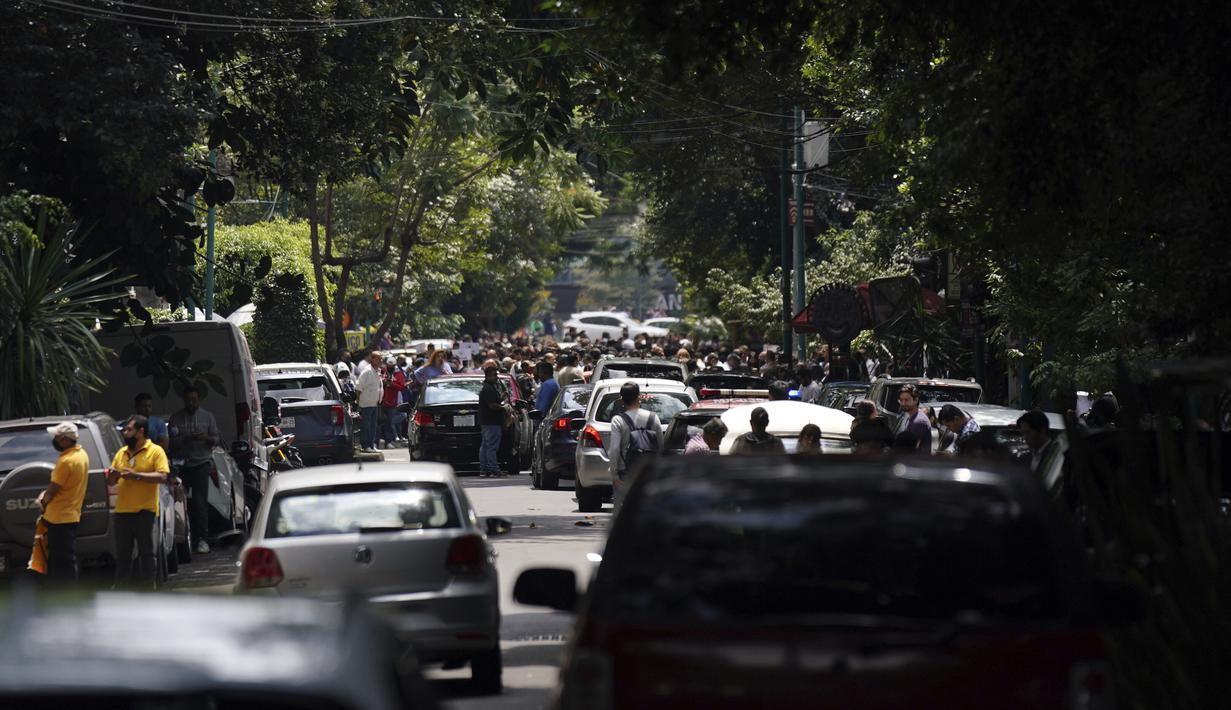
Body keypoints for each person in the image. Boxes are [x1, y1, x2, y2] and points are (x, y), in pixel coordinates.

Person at [108, 415, 169, 588]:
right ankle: (121, 589)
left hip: (144, 510)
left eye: (129, 430)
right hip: (122, 511)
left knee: (146, 552)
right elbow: (111, 482)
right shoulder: (122, 453)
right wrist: (112, 476)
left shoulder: (155, 451)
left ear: (140, 432)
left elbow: (163, 476)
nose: (125, 433)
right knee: (123, 554)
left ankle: (149, 586)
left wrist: (137, 476)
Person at [36, 422, 89, 583]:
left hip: (58, 517)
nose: (55, 441)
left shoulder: (65, 462)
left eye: (57, 438)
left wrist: (42, 501)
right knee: (67, 558)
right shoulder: (82, 455)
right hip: (71, 515)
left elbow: (52, 490)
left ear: (66, 439)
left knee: (61, 562)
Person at [169, 386, 219, 554]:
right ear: (184, 400)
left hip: (201, 463)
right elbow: (172, 443)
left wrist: (207, 439)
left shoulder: (208, 416)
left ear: (199, 400)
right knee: (180, 502)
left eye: (194, 400)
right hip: (182, 464)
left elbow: (216, 439)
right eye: (188, 400)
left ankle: (203, 539)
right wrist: (186, 438)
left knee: (199, 501)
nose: (191, 403)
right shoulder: (176, 418)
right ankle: (183, 538)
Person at [607, 381, 663, 506]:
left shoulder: (618, 420)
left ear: (622, 400)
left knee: (623, 512)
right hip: (648, 473)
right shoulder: (653, 418)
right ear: (639, 397)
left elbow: (615, 449)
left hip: (625, 472)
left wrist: (614, 476)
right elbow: (660, 448)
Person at [478, 360, 507, 477]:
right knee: (491, 446)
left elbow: (494, 401)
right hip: (491, 422)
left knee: (485, 445)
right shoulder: (488, 388)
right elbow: (492, 405)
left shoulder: (489, 387)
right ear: (488, 376)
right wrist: (503, 408)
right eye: (494, 375)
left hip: (487, 422)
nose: (496, 377)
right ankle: (493, 468)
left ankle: (484, 469)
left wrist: (501, 397)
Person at [355, 351, 384, 452]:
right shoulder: (367, 371)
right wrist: (358, 404)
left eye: (381, 359)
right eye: (378, 359)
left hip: (375, 403)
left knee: (373, 425)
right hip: (366, 404)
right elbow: (358, 388)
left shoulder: (378, 371)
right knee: (366, 426)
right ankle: (366, 446)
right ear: (372, 359)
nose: (381, 361)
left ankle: (371, 445)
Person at [1017, 409, 1062, 475]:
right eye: (1023, 433)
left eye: (1028, 432)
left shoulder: (1057, 454)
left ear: (1042, 430)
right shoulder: (1028, 457)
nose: (1025, 437)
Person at [895, 384, 933, 453]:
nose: (903, 403)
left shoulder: (919, 422)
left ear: (915, 400)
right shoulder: (911, 417)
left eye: (906, 400)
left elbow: (910, 451)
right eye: (901, 400)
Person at [380, 357, 406, 449]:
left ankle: (389, 441)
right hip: (381, 401)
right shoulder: (382, 371)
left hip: (392, 402)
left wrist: (392, 384)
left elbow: (402, 386)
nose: (389, 367)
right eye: (388, 365)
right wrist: (383, 382)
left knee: (390, 422)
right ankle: (379, 441)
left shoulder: (398, 373)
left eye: (391, 366)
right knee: (380, 422)